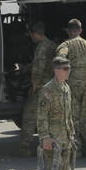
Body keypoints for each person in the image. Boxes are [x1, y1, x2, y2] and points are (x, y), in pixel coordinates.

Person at [19, 57, 79, 170]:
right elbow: (42, 116)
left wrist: (71, 134)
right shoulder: (48, 90)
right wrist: (44, 137)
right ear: (56, 70)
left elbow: (68, 115)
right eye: (65, 69)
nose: (68, 71)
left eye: (69, 68)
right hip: (53, 141)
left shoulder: (66, 88)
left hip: (65, 139)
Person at [55, 18, 86, 156]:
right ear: (80, 30)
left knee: (72, 115)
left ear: (68, 30)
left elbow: (60, 59)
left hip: (74, 84)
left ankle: (75, 148)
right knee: (84, 114)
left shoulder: (66, 45)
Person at [19, 21, 56, 155]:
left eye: (31, 35)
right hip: (52, 86)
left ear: (35, 34)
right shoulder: (52, 45)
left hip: (42, 87)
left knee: (29, 115)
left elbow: (38, 68)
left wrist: (34, 86)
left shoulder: (41, 47)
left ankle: (25, 147)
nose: (31, 37)